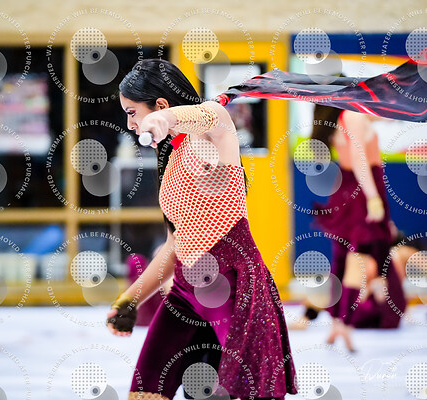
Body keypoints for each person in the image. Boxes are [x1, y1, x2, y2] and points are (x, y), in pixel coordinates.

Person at [106, 59, 297, 400]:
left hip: (233, 291)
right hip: (185, 294)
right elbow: (174, 245)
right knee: (145, 390)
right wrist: (129, 300)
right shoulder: (171, 156)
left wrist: (164, 119)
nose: (130, 123)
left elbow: (208, 114)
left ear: (160, 104)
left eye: (133, 113)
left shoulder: (214, 128)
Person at [311, 105, 407, 351]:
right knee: (359, 258)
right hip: (361, 190)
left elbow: (378, 120)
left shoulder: (350, 116)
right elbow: (358, 158)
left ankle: (337, 321)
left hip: (349, 187)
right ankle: (344, 322)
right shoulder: (353, 115)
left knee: (342, 259)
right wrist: (373, 197)